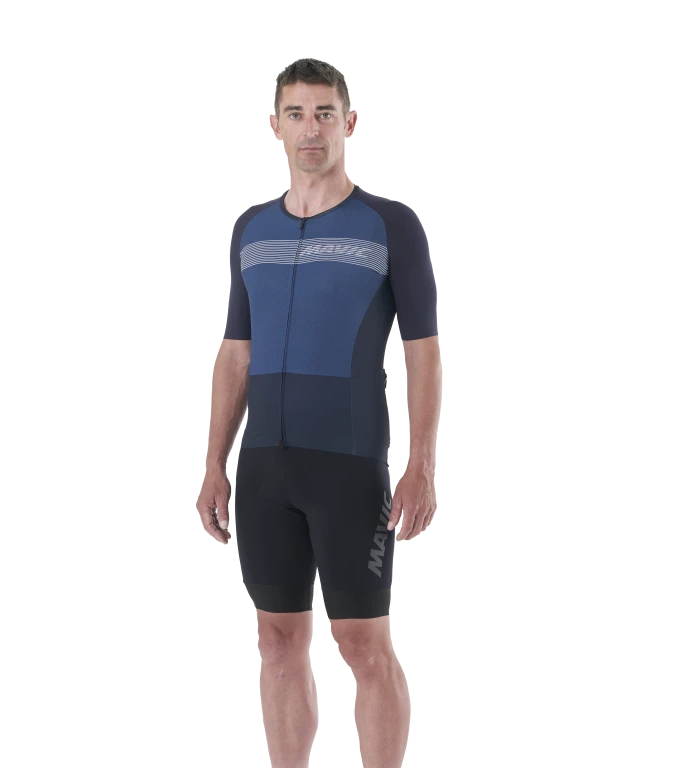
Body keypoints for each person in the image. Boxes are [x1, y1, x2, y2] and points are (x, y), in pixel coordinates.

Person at [197, 57, 442, 768]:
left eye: (325, 114)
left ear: (350, 122)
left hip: (348, 468)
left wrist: (421, 464)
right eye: (297, 114)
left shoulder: (390, 224)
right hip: (264, 469)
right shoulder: (251, 228)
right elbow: (236, 353)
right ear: (275, 125)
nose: (311, 129)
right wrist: (214, 463)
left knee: (364, 645)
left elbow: (424, 350)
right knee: (277, 642)